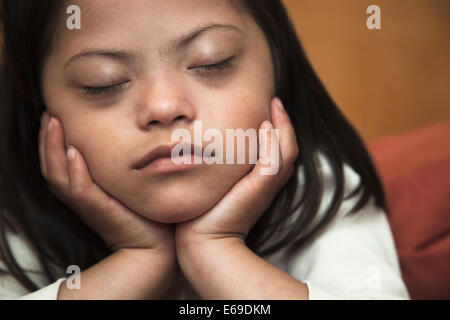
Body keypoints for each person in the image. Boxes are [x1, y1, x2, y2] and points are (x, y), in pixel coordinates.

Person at [0, 0, 410, 300]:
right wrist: (136, 260)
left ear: (278, 70)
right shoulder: (16, 221)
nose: (163, 108)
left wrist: (216, 249)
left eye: (211, 62)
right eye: (102, 83)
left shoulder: (321, 193)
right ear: (38, 102)